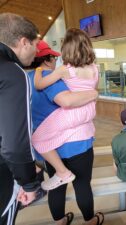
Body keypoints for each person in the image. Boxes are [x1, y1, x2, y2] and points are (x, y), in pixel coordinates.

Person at [28, 38, 103, 224]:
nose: (55, 62)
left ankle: (60, 221)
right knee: (82, 184)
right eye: (53, 58)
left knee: (56, 186)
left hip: (51, 148)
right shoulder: (53, 80)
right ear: (46, 60)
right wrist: (93, 94)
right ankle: (90, 220)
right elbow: (68, 101)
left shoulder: (26, 80)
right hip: (77, 143)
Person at [0, 13, 40, 225]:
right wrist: (29, 184)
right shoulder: (12, 73)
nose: (37, 51)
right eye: (36, 44)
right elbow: (15, 145)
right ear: (24, 42)